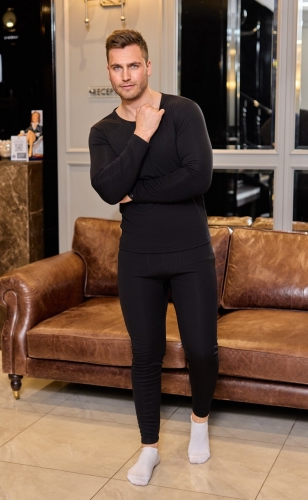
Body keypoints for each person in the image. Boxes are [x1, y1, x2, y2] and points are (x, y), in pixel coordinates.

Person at [88, 29, 219, 487]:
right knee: (146, 355)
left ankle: (199, 422)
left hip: (190, 252)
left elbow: (198, 177)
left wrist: (137, 192)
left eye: (133, 65)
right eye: (117, 67)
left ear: (147, 65)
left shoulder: (184, 111)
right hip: (138, 258)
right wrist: (141, 135)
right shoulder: (103, 132)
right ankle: (149, 448)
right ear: (109, 72)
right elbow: (108, 189)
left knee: (201, 349)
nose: (126, 75)